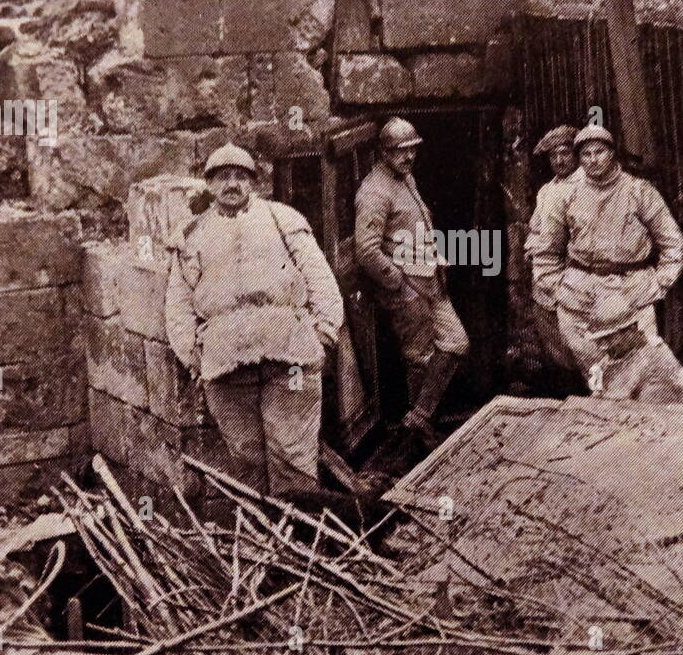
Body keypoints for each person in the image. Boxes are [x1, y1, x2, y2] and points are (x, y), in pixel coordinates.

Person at [165, 142, 343, 496]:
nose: (232, 184)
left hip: (290, 359)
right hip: (226, 367)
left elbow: (319, 276)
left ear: (253, 182)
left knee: (293, 455)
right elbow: (178, 305)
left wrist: (324, 331)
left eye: (241, 176)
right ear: (210, 185)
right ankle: (265, 544)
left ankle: (301, 539)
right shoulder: (192, 235)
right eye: (223, 177)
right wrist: (193, 356)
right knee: (246, 460)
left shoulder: (282, 219)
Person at [531, 124, 683, 382]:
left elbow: (672, 242)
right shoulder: (565, 196)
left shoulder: (639, 191)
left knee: (643, 374)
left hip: (631, 292)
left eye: (599, 152)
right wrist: (557, 289)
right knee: (596, 377)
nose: (593, 160)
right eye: (586, 154)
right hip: (579, 295)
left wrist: (660, 282)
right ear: (580, 160)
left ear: (612, 153)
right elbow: (547, 250)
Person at [354, 117, 470, 441]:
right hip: (407, 286)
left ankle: (418, 417)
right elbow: (366, 250)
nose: (409, 157)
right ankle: (418, 437)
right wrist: (398, 282)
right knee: (419, 357)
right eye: (400, 152)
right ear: (384, 153)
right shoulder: (374, 192)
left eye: (412, 150)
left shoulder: (405, 178)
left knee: (456, 342)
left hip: (429, 276)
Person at [524, 124, 581, 377]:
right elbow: (534, 228)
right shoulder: (547, 190)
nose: (559, 160)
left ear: (576, 154)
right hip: (543, 284)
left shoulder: (585, 187)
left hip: (571, 281)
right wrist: (532, 247)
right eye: (553, 155)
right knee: (555, 351)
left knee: (580, 350)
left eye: (565, 153)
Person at [586, 292, 683, 404]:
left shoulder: (655, 357)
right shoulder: (609, 361)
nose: (602, 346)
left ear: (631, 329)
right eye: (599, 340)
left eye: (608, 338)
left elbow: (643, 412)